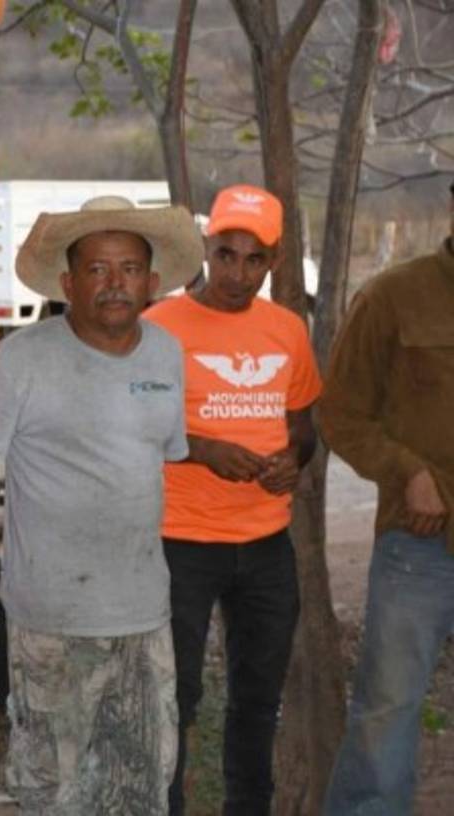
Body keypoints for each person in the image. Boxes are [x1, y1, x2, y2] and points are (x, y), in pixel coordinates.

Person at [0, 196, 201, 814]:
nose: (115, 283)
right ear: (68, 284)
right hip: (52, 619)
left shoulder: (166, 353)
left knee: (142, 789)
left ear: (152, 282)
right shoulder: (23, 358)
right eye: (97, 269)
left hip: (144, 614)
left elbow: (160, 454)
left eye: (129, 268)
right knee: (56, 794)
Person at [142, 185, 322, 815]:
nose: (237, 273)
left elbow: (304, 428)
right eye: (225, 254)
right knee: (175, 697)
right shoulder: (159, 327)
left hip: (266, 545)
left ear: (274, 261)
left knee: (258, 700)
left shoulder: (287, 330)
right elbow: (130, 428)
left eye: (254, 260)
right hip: (180, 542)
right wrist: (201, 450)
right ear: (205, 246)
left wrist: (292, 461)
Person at [322, 182, 454, 814]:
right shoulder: (393, 296)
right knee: (387, 711)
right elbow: (340, 414)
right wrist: (407, 472)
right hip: (420, 544)